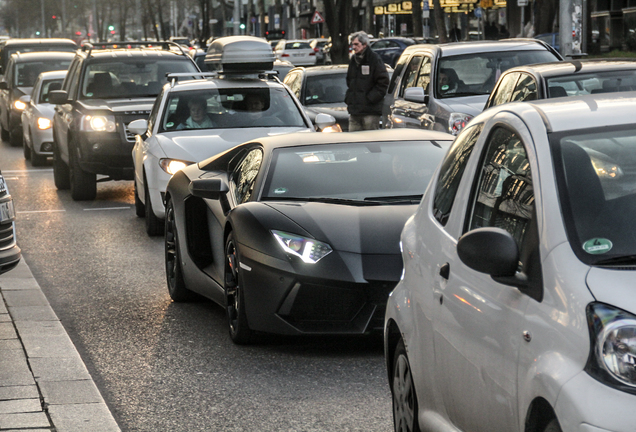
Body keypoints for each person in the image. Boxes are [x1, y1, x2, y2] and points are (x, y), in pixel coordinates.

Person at [345, 31, 390, 131]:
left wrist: (370, 98)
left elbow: (383, 82)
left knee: (370, 140)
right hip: (355, 110)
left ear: (364, 44)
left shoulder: (374, 59)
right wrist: (350, 98)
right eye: (352, 44)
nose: (354, 47)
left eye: (356, 44)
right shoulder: (353, 60)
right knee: (353, 141)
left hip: (370, 111)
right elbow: (349, 80)